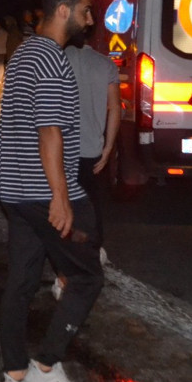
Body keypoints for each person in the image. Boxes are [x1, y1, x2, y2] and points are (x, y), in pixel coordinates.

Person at [0, 0, 103, 382]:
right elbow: (50, 131)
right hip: (44, 192)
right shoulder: (52, 60)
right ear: (63, 10)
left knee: (20, 281)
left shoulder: (22, 55)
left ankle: (14, 378)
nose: (89, 19)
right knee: (88, 276)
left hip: (15, 193)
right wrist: (61, 196)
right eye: (85, 10)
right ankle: (45, 367)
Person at [51, 15, 119, 298]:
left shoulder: (56, 59)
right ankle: (92, 259)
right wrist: (107, 147)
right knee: (89, 211)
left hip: (61, 151)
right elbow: (115, 109)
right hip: (91, 150)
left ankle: (63, 276)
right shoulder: (105, 65)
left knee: (61, 212)